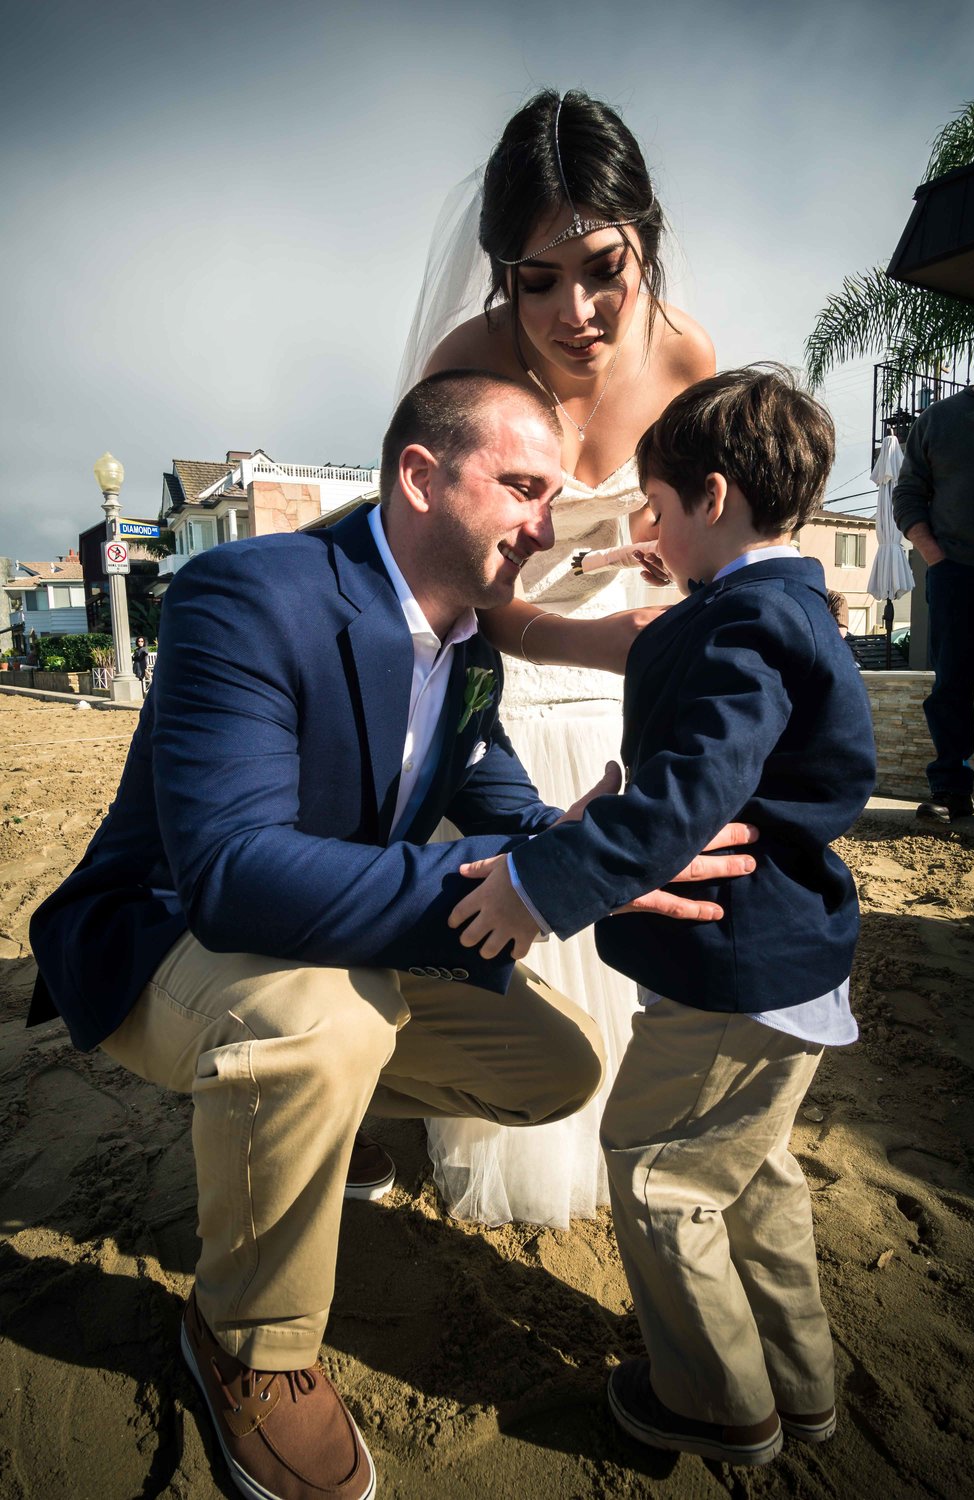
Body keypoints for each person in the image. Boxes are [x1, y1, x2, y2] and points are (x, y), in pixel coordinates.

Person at [28, 371, 756, 1500]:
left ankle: (292, 1117)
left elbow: (503, 801)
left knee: (553, 1068)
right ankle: (246, 1343)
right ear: (419, 476)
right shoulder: (244, 593)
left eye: (550, 494)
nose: (544, 521)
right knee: (323, 1023)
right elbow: (229, 874)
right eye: (521, 487)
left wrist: (599, 849)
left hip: (330, 938)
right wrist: (513, 874)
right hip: (163, 935)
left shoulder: (467, 646)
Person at [451, 368, 878, 1467]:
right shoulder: (778, 602)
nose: (647, 530)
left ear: (715, 496)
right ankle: (798, 1374)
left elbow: (684, 795)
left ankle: (716, 1397)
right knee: (749, 1171)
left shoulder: (740, 628)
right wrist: (683, 574)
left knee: (655, 1168)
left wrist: (539, 885)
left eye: (658, 508)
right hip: (788, 959)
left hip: (734, 971)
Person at [405, 87, 716, 1226]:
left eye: (602, 269)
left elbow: (716, 547)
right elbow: (439, 593)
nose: (575, 310)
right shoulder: (463, 369)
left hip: (645, 676)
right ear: (499, 275)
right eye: (537, 281)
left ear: (645, 239)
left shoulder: (688, 358)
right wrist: (589, 635)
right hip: (509, 680)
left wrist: (666, 567)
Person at [892, 304, 974, 823]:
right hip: (956, 570)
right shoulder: (939, 419)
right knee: (951, 682)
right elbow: (908, 494)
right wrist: (936, 558)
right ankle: (951, 790)